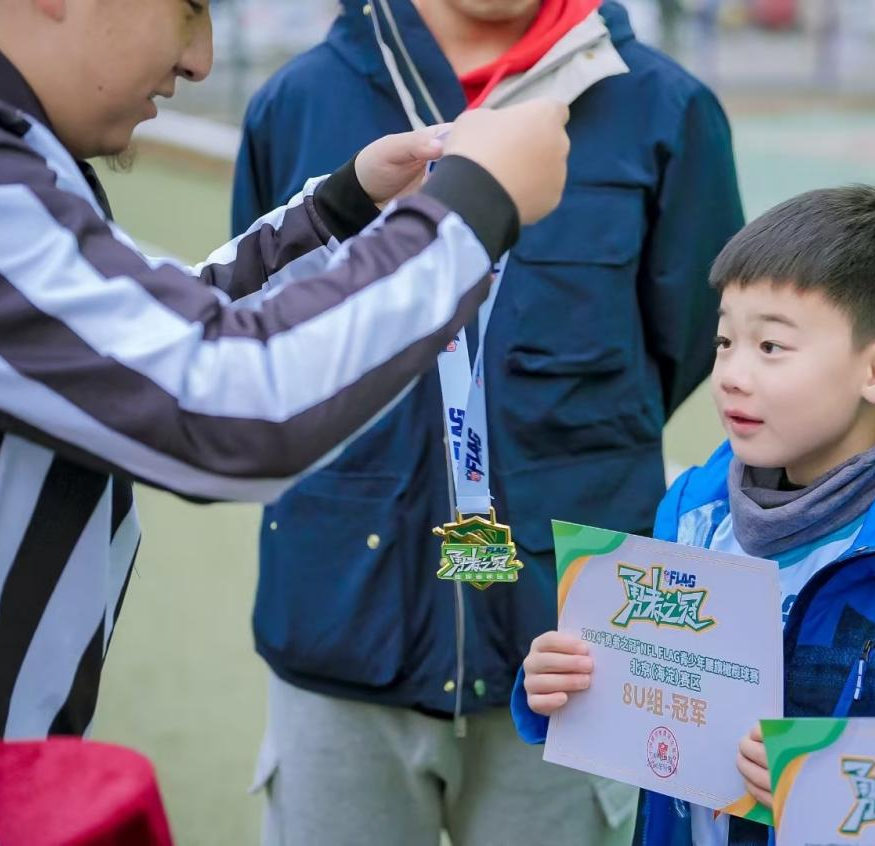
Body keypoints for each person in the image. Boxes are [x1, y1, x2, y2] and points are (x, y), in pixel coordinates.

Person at [0, 0, 570, 740]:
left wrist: (340, 211)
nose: (200, 60)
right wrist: (472, 206)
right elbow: (228, 404)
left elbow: (148, 338)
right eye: (190, 8)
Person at [233, 1, 743, 844]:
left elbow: (687, 342)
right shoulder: (298, 103)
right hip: (340, 624)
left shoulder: (665, 107)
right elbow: (258, 338)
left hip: (569, 651)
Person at [515, 186, 875, 845]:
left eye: (770, 346)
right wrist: (564, 684)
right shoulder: (694, 509)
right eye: (724, 341)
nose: (731, 375)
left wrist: (842, 790)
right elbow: (656, 716)